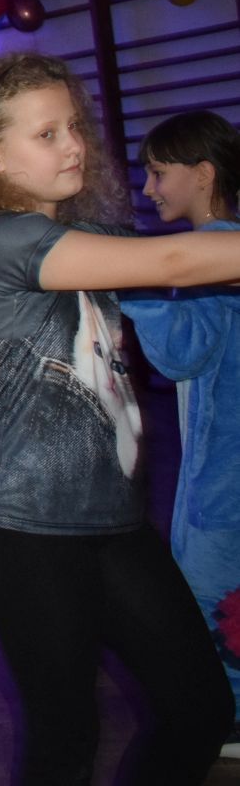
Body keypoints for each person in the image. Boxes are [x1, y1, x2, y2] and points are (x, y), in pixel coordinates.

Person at [0, 52, 240, 784]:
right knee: (66, 740)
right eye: (46, 134)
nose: (74, 145)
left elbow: (193, 257)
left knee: (199, 710)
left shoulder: (81, 237)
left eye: (74, 126)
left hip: (111, 518)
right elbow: (174, 263)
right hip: (24, 527)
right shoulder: (0, 239)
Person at [117, 110, 240, 758]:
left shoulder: (212, 255)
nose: (149, 188)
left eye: (159, 172)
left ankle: (229, 723)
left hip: (224, 480)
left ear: (203, 174)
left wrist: (127, 289)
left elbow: (181, 355)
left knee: (210, 605)